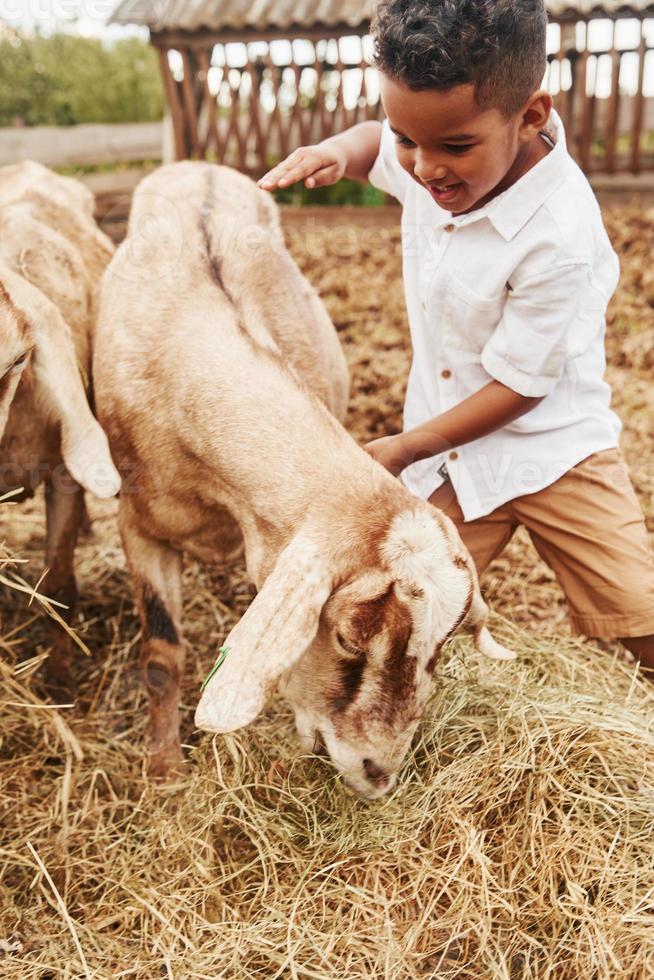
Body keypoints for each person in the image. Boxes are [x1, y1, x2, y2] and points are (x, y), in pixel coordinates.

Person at [258, 0, 654, 672]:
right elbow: (374, 143)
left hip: (554, 449)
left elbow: (520, 387)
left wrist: (405, 447)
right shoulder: (435, 152)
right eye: (407, 139)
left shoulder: (558, 234)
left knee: (636, 611)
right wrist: (336, 153)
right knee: (399, 604)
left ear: (530, 115)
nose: (421, 168)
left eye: (454, 147)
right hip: (454, 460)